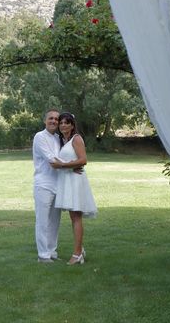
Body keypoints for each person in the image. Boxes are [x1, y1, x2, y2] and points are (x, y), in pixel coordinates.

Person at [51, 112, 97, 265]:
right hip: (67, 179)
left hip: (75, 181)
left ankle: (77, 254)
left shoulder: (76, 139)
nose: (63, 125)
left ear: (72, 125)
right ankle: (80, 249)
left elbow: (83, 160)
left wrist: (64, 165)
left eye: (67, 122)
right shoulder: (62, 140)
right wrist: (70, 166)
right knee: (73, 217)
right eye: (61, 123)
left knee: (76, 217)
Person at [32, 109, 62, 263]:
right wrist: (74, 165)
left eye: (57, 119)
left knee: (55, 221)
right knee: (43, 221)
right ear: (45, 121)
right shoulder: (40, 137)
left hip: (58, 184)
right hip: (43, 184)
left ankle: (52, 251)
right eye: (51, 118)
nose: (54, 121)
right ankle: (43, 255)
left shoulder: (58, 138)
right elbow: (52, 161)